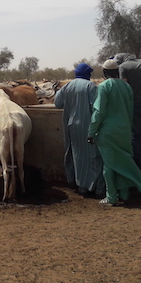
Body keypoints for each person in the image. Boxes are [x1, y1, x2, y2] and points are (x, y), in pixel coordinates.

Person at [87, 59, 141, 206]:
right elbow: (130, 110)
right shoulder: (127, 87)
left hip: (108, 131)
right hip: (124, 130)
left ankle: (111, 197)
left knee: (109, 165)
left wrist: (91, 131)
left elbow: (99, 111)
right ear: (117, 72)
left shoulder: (104, 87)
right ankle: (124, 193)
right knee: (121, 160)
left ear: (104, 72)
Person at [54, 63, 106, 197]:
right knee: (94, 155)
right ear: (88, 74)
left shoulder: (67, 86)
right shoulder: (90, 86)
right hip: (87, 126)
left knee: (77, 156)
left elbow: (57, 103)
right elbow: (97, 107)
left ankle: (82, 186)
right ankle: (97, 188)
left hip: (71, 127)